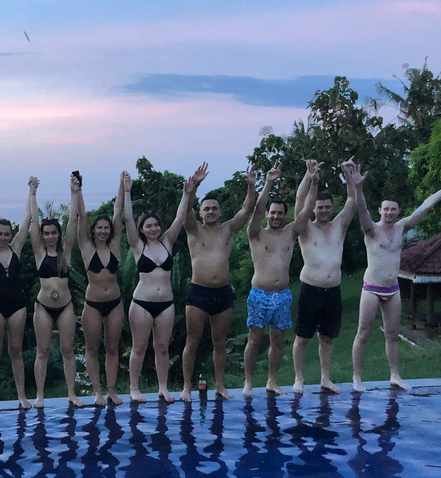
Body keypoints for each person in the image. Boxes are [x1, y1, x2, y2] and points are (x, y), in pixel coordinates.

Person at [349, 160, 441, 391]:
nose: (389, 213)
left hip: (392, 289)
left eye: (393, 209)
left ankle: (395, 375)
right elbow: (362, 210)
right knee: (363, 333)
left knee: (393, 335)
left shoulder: (402, 227)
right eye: (386, 209)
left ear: (398, 211)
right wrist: (358, 187)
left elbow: (425, 205)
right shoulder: (371, 230)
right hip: (372, 288)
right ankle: (356, 378)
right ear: (380, 211)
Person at [123, 166, 202, 403]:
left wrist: (187, 193)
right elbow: (127, 218)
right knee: (139, 348)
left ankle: (163, 387)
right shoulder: (138, 246)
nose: (153, 228)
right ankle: (134, 388)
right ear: (141, 229)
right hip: (141, 303)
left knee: (163, 348)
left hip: (166, 304)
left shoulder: (167, 241)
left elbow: (180, 217)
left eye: (156, 225)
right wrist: (127, 191)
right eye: (148, 226)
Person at [181, 165, 257, 400]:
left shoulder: (228, 229)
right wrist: (194, 187)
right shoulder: (194, 229)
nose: (211, 211)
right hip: (198, 293)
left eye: (214, 208)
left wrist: (251, 186)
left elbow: (247, 209)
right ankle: (187, 387)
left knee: (219, 342)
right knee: (192, 341)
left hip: (222, 293)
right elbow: (185, 211)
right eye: (207, 209)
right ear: (200, 212)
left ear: (220, 211)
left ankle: (220, 386)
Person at [241, 162, 313, 397]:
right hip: (259, 294)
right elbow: (257, 209)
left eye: (279, 213)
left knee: (278, 341)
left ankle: (271, 380)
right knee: (254, 340)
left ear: (284, 215)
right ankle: (248, 382)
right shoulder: (256, 233)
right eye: (272, 212)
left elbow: (307, 210)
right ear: (267, 214)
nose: (275, 216)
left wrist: (313, 180)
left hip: (282, 295)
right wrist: (268, 182)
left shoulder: (290, 232)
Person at [290, 160, 356, 394]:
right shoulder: (305, 228)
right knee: (303, 337)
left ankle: (325, 378)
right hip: (310, 288)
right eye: (320, 207)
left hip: (333, 291)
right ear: (314, 209)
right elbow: (299, 200)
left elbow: (352, 200)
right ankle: (299, 378)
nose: (324, 210)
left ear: (331, 207)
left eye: (327, 207)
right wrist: (310, 178)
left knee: (327, 337)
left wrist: (348, 174)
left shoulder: (340, 225)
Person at [0, 178, 33, 411]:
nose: (3, 237)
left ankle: (21, 395)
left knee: (16, 351)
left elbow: (27, 220)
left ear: (10, 235)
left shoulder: (16, 248)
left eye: (6, 234)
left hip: (18, 305)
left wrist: (31, 191)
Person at [30, 175, 83, 408]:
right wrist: (32, 194)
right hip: (43, 307)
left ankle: (71, 393)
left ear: (58, 234)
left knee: (67, 350)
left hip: (65, 306)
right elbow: (33, 222)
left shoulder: (66, 252)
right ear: (43, 235)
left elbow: (73, 220)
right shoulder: (39, 252)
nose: (50, 236)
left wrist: (74, 192)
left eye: (54, 232)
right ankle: (40, 395)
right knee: (42, 351)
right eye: (47, 233)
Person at [74, 172, 126, 406]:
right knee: (92, 348)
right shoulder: (86, 247)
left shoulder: (114, 245)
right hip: (93, 305)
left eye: (106, 228)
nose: (103, 231)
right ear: (93, 230)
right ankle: (97, 391)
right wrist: (78, 191)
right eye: (99, 228)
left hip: (114, 303)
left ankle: (111, 389)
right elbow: (81, 216)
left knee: (113, 348)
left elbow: (118, 212)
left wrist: (122, 186)